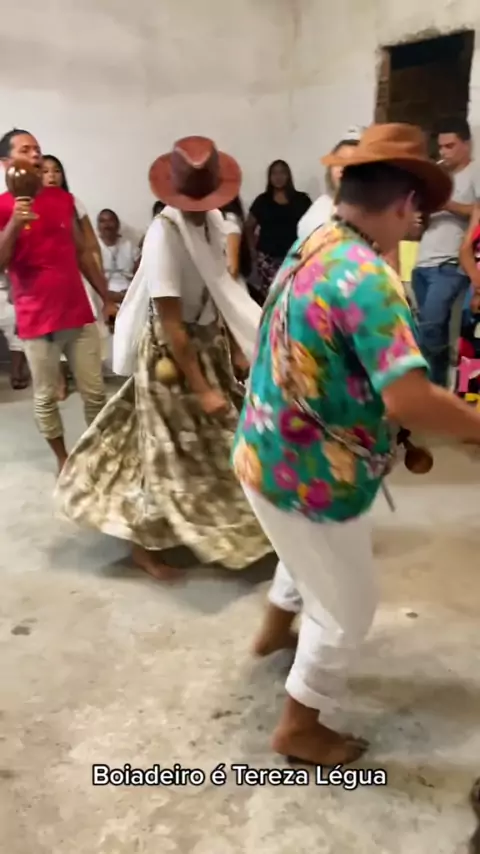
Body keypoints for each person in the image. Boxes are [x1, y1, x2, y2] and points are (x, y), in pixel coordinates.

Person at [233, 123, 480, 767]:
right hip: (311, 473)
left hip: (263, 448)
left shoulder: (315, 239)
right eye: (418, 210)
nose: (418, 222)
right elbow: (409, 398)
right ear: (405, 203)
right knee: (349, 607)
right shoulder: (368, 278)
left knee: (308, 558)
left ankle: (274, 632)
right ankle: (298, 727)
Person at [55, 136, 271, 581]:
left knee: (206, 445)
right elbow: (170, 323)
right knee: (164, 453)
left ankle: (230, 525)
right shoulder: (163, 236)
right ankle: (143, 545)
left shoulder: (213, 222)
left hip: (205, 345)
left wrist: (233, 347)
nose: (203, 205)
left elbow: (220, 289)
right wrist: (202, 388)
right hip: (169, 358)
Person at [0, 128, 112, 473]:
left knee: (95, 394)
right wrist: (15, 223)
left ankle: (98, 455)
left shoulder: (62, 200)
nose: (35, 155)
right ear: (6, 162)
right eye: (25, 149)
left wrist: (106, 297)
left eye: (37, 149)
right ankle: (64, 460)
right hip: (37, 319)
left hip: (76, 311)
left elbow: (82, 253)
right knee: (46, 397)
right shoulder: (2, 207)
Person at [412, 118, 480, 386]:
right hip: (423, 261)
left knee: (430, 328)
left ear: (467, 144)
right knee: (427, 329)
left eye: (450, 146)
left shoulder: (475, 171)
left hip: (449, 264)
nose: (443, 152)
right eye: (440, 147)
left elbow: (477, 212)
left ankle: (433, 388)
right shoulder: (441, 177)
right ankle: (436, 388)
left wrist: (447, 204)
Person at [42, 154, 109, 398]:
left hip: (78, 273)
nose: (51, 176)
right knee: (54, 328)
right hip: (49, 277)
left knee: (89, 324)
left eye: (56, 171)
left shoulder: (73, 203)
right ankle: (60, 380)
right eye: (45, 171)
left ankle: (88, 375)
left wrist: (98, 272)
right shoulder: (30, 205)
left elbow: (90, 243)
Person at [246, 160, 311, 304]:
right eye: (274, 173)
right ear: (269, 177)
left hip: (295, 258)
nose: (278, 177)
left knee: (293, 297)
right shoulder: (262, 201)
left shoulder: (302, 200)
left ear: (288, 175)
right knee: (272, 298)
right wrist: (252, 251)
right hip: (268, 259)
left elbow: (312, 226)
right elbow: (249, 226)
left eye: (282, 172)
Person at [297, 127, 362, 241]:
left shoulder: (384, 213)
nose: (344, 169)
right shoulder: (317, 215)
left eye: (353, 163)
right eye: (339, 161)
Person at [97, 209, 140, 306]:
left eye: (110, 220)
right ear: (98, 226)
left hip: (129, 293)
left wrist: (130, 292)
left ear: (118, 225)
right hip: (103, 296)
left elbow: (140, 274)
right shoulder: (94, 247)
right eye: (103, 221)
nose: (107, 225)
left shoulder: (130, 245)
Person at [0, 271, 29, 389]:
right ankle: (17, 375)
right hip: (6, 291)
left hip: (7, 291)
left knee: (16, 336)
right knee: (16, 337)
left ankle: (17, 374)